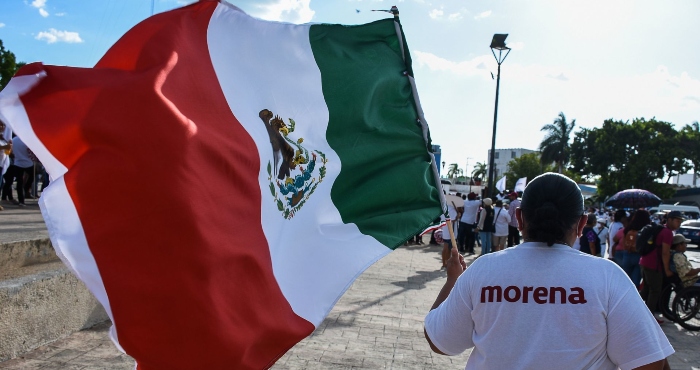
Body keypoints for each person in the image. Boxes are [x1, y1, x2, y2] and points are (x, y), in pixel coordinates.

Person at [424, 173, 673, 370]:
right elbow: (649, 360)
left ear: (519, 219)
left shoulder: (484, 270)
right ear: (582, 223)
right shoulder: (607, 277)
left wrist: (453, 281)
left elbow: (440, 342)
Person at [640, 210, 684, 322]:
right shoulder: (667, 232)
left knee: (646, 289)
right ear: (669, 220)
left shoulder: (661, 229)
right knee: (655, 291)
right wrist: (667, 269)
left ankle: (633, 310)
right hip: (653, 265)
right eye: (677, 220)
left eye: (680, 221)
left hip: (645, 261)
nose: (679, 223)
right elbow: (665, 252)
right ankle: (648, 318)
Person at [619, 209, 651, 288]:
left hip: (627, 254)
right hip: (639, 255)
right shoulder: (646, 229)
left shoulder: (629, 228)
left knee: (625, 278)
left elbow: (623, 241)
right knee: (635, 280)